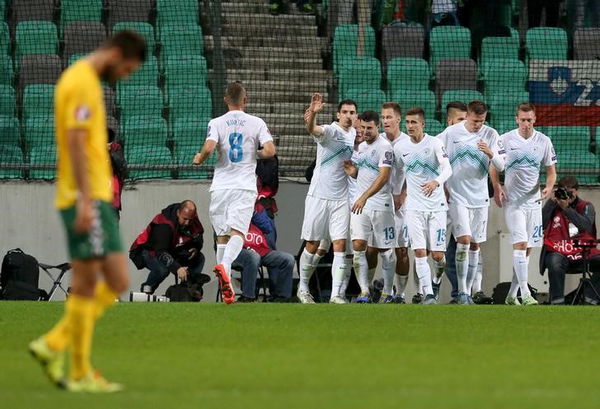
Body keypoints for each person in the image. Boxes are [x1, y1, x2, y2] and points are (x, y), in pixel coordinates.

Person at [28, 31, 146, 392]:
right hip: (89, 198)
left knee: (91, 284)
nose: (124, 75)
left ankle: (71, 363)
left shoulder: (83, 80)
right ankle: (60, 352)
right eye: (126, 68)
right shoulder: (81, 83)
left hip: (89, 196)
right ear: (115, 53)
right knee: (114, 282)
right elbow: (77, 143)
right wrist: (84, 200)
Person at [193, 82, 276, 305]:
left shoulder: (216, 122)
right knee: (237, 233)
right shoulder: (256, 122)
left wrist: (199, 158)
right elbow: (270, 151)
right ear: (245, 100)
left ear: (225, 100)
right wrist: (253, 152)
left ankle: (225, 282)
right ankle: (225, 268)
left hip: (220, 186)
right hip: (243, 187)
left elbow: (209, 148)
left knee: (221, 236)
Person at [438, 100, 504, 304]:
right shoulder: (451, 133)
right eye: (475, 121)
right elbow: (434, 151)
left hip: (480, 198)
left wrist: (490, 153)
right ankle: (463, 292)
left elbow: (501, 166)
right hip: (457, 196)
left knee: (475, 245)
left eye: (481, 121)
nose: (478, 125)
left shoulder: (491, 134)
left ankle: (473, 290)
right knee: (464, 241)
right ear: (467, 116)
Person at [492, 102, 557, 306]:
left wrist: (548, 187)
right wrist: (497, 186)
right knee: (519, 245)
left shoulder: (544, 141)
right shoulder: (505, 140)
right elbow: (493, 166)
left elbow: (551, 171)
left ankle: (512, 295)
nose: (526, 124)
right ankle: (526, 294)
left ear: (535, 119)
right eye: (523, 120)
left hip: (534, 202)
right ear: (516, 119)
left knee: (527, 250)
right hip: (513, 202)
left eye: (529, 120)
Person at [298, 94, 357, 303]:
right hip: (319, 196)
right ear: (338, 114)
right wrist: (313, 113)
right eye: (345, 112)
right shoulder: (331, 130)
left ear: (356, 116)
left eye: (352, 112)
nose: (348, 116)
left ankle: (336, 295)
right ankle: (303, 287)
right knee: (312, 244)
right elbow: (313, 129)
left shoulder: (356, 136)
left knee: (340, 244)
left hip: (342, 199)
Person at [394, 107, 452, 305]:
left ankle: (436, 280)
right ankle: (428, 294)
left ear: (422, 124)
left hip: (436, 208)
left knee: (437, 256)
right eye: (407, 123)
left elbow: (448, 169)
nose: (410, 126)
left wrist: (436, 182)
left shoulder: (435, 143)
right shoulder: (401, 148)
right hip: (414, 208)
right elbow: (399, 172)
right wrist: (399, 194)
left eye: (414, 123)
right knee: (419, 251)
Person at [344, 111, 396, 303]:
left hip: (380, 204)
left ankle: (387, 292)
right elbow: (364, 174)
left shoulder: (385, 147)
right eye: (362, 128)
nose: (365, 131)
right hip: (361, 204)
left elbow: (383, 177)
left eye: (369, 128)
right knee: (358, 245)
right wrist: (353, 172)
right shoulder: (361, 148)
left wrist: (364, 196)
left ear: (378, 127)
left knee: (386, 251)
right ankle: (364, 291)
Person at [368, 102, 411, 303]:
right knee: (372, 249)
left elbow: (417, 171)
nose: (385, 121)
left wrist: (403, 194)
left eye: (389, 117)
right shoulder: (377, 141)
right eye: (383, 117)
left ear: (398, 119)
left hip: (402, 205)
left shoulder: (408, 142)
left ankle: (400, 295)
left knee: (402, 250)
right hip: (379, 202)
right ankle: (368, 292)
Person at [541, 176, 600, 304]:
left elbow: (586, 226)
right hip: (559, 251)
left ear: (576, 191)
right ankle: (557, 302)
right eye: (564, 192)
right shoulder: (553, 207)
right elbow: (540, 224)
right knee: (554, 261)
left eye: (570, 192)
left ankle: (589, 298)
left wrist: (566, 209)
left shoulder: (586, 206)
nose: (567, 195)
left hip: (583, 252)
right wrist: (551, 202)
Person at [129, 201, 208, 296]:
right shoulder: (163, 224)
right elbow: (161, 252)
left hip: (171, 249)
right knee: (162, 270)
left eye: (190, 220)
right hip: (146, 250)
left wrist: (196, 248)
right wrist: (177, 268)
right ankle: (147, 289)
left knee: (199, 258)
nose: (187, 223)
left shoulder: (193, 220)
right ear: (178, 213)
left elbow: (198, 237)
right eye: (185, 219)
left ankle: (187, 288)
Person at [234, 203, 294, 302]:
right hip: (239, 250)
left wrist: (254, 212)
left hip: (261, 249)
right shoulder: (232, 206)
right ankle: (248, 297)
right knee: (253, 257)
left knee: (288, 259)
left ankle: (282, 298)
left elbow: (267, 228)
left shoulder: (258, 207)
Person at [441, 101, 467, 303]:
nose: (464, 124)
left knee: (465, 249)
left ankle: (464, 293)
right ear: (450, 121)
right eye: (460, 120)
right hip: (440, 207)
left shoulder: (472, 141)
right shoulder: (437, 142)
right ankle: (429, 292)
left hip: (464, 205)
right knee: (438, 254)